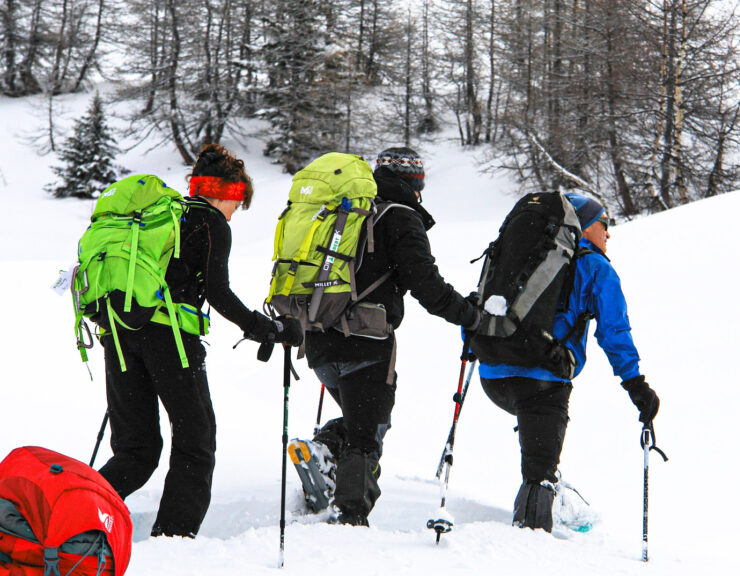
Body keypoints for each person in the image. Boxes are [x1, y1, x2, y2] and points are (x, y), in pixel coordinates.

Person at [97, 144, 303, 538]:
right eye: (238, 201)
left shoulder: (160, 220)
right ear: (228, 192)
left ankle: (70, 510)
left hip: (119, 333)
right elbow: (219, 293)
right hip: (170, 340)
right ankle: (173, 538)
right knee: (196, 439)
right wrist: (269, 330)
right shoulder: (209, 223)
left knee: (136, 450)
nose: (235, 212)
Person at [299, 146, 483, 527]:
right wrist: (471, 315)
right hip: (366, 340)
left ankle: (323, 452)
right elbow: (427, 287)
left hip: (317, 339)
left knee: (360, 420)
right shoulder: (400, 218)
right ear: (414, 182)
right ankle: (348, 519)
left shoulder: (344, 211)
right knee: (368, 434)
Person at [476, 191, 660, 533]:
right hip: (543, 381)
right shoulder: (596, 266)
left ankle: (551, 488)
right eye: (604, 223)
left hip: (492, 375)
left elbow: (484, 304)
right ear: (587, 226)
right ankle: (527, 546)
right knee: (537, 474)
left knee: (539, 444)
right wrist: (637, 385)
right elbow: (614, 332)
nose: (608, 233)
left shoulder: (519, 254)